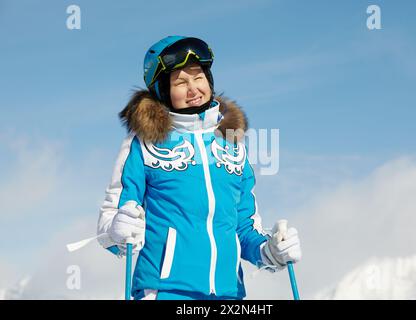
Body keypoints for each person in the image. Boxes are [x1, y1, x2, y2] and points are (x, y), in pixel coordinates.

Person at [97, 36, 301, 300]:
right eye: (180, 82)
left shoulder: (232, 147)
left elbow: (243, 227)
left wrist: (271, 251)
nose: (193, 88)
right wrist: (118, 229)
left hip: (229, 293)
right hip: (164, 291)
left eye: (199, 77)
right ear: (162, 90)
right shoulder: (144, 145)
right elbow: (110, 221)